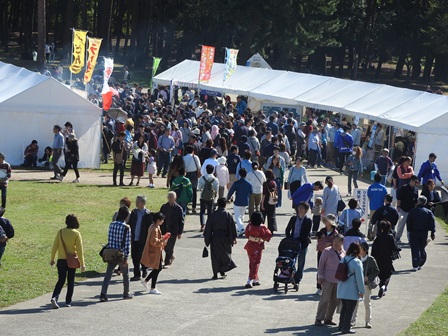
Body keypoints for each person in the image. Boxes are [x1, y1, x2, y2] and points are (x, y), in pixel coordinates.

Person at [50, 214, 85, 308]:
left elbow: (55, 246)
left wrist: (52, 259)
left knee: (61, 280)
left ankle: (54, 297)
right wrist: (82, 263)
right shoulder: (76, 233)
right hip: (72, 260)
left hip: (61, 260)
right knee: (70, 281)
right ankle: (68, 301)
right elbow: (79, 250)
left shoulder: (61, 232)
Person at [100, 207, 132, 302]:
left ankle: (103, 293)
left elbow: (110, 238)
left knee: (108, 274)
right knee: (125, 275)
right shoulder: (126, 227)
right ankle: (126, 293)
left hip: (111, 252)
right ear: (126, 216)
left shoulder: (112, 224)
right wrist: (126, 257)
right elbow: (127, 244)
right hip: (120, 254)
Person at [315, 234, 346, 327]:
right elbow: (321, 265)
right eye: (335, 241)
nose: (336, 243)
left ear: (342, 243)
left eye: (338, 241)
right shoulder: (327, 251)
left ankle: (328, 318)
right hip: (327, 279)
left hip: (339, 281)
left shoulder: (344, 253)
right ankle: (319, 318)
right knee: (324, 299)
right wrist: (320, 276)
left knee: (334, 301)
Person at [204, 197, 238, 279]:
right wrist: (234, 238)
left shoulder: (212, 215)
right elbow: (232, 227)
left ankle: (215, 273)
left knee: (215, 256)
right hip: (225, 237)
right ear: (225, 205)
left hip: (215, 237)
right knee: (225, 255)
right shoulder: (228, 214)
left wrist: (207, 238)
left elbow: (208, 227)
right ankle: (222, 270)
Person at [336, 242, 365, 334]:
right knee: (350, 309)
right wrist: (362, 291)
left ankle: (341, 326)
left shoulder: (344, 259)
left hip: (342, 288)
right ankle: (346, 328)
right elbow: (360, 278)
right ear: (356, 250)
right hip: (351, 290)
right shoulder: (357, 262)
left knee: (344, 308)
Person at [351, 242, 380, 329]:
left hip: (366, 285)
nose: (358, 250)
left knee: (367, 303)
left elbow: (377, 271)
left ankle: (368, 321)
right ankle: (352, 321)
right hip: (356, 284)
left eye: (360, 248)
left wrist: (369, 277)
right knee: (355, 303)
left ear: (365, 250)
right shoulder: (355, 258)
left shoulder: (371, 259)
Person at [285, 201, 313, 286]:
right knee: (291, 261)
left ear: (306, 210)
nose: (299, 210)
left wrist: (298, 240)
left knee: (301, 263)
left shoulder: (308, 220)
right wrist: (289, 238)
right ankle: (291, 276)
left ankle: (297, 279)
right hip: (293, 244)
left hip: (303, 244)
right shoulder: (293, 218)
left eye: (302, 208)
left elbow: (306, 234)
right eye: (299, 208)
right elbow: (287, 229)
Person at [140, 212, 168, 295]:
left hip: (155, 251)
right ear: (158, 220)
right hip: (154, 252)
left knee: (157, 268)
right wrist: (163, 239)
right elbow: (154, 242)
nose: (163, 222)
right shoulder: (155, 229)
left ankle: (146, 281)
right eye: (162, 220)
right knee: (157, 268)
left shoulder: (153, 226)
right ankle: (152, 287)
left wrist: (162, 238)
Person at [244, 212, 273, 288]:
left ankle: (255, 279)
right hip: (257, 247)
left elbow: (246, 234)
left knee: (252, 262)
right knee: (255, 263)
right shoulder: (262, 227)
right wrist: (263, 238)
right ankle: (249, 280)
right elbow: (268, 235)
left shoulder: (249, 226)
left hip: (250, 245)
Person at [406, 196, 436, 271]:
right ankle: (421, 263)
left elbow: (408, 222)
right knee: (422, 248)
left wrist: (409, 230)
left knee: (415, 249)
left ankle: (415, 264)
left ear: (418, 202)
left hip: (414, 232)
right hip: (423, 233)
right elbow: (432, 222)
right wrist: (432, 232)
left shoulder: (412, 211)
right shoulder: (428, 212)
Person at [371, 220, 400, 298]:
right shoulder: (390, 236)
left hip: (378, 258)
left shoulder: (378, 237)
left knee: (380, 274)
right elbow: (394, 247)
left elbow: (374, 248)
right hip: (387, 258)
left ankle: (381, 286)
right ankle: (383, 286)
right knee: (388, 274)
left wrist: (372, 257)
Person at [129, 196, 153, 281]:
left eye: (138, 201)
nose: (136, 203)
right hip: (134, 238)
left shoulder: (148, 214)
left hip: (143, 239)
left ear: (143, 203)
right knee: (134, 257)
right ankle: (137, 275)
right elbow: (130, 223)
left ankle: (144, 268)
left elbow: (150, 227)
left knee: (140, 256)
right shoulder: (134, 212)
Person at [159, 192, 184, 268]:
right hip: (164, 229)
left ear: (175, 198)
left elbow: (181, 221)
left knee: (170, 246)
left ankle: (167, 262)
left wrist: (180, 232)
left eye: (172, 198)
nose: (170, 199)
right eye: (169, 198)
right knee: (164, 246)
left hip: (173, 231)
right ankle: (171, 256)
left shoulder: (178, 208)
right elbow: (160, 217)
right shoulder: (164, 207)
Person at [315, 214, 339, 294]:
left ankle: (328, 286)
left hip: (331, 253)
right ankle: (319, 286)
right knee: (320, 268)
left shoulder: (335, 232)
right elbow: (319, 240)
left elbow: (337, 242)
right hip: (321, 252)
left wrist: (330, 243)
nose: (325, 222)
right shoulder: (322, 230)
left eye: (327, 220)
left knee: (329, 269)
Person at [227, 168, 253, 236]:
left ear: (239, 174)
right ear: (246, 174)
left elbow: (231, 191)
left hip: (237, 202)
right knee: (242, 215)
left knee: (237, 216)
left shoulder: (236, 183)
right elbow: (251, 192)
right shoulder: (249, 183)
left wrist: (228, 198)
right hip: (245, 202)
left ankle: (241, 229)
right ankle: (239, 229)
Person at [396, 175, 419, 243]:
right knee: (401, 225)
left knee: (411, 226)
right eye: (415, 182)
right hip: (403, 209)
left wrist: (415, 209)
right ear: (411, 181)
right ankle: (397, 238)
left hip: (411, 210)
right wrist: (398, 206)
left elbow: (416, 201)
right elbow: (399, 198)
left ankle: (410, 239)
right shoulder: (403, 188)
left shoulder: (416, 189)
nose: (416, 183)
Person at [197, 164, 219, 232]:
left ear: (206, 170)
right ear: (213, 171)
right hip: (211, 197)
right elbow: (216, 189)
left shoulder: (202, 178)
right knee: (210, 212)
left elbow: (199, 187)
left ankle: (202, 225)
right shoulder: (215, 179)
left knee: (202, 211)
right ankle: (209, 225)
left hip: (203, 196)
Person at [367, 174, 388, 239]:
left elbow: (369, 196)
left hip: (372, 206)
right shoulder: (383, 188)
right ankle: (374, 234)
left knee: (371, 220)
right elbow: (385, 197)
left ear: (374, 179)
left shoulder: (371, 187)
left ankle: (369, 231)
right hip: (380, 207)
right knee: (378, 222)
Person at [183, 145, 201, 213]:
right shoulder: (196, 157)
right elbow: (199, 167)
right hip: (194, 175)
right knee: (194, 191)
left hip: (187, 174)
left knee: (186, 190)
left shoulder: (183, 158)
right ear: (193, 151)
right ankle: (194, 207)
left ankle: (186, 206)